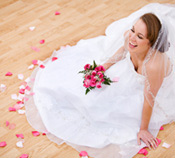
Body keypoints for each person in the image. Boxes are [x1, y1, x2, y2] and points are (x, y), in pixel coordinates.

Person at [25, 3, 175, 158]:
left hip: (153, 90)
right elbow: (121, 53)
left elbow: (149, 98)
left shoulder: (154, 66)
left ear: (151, 43)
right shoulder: (128, 37)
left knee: (110, 109)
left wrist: (144, 128)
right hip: (130, 77)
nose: (132, 37)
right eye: (133, 30)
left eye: (140, 36)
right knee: (89, 93)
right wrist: (101, 69)